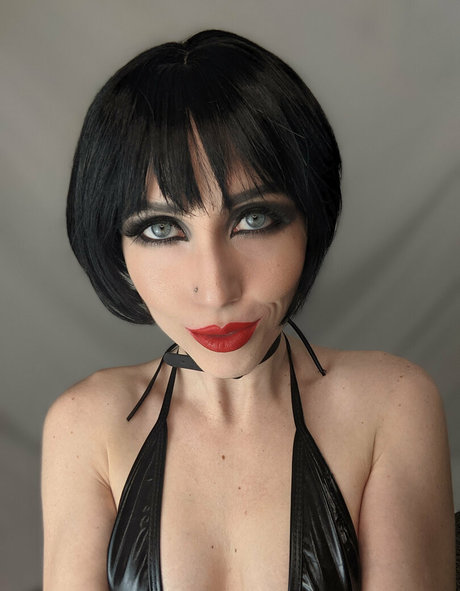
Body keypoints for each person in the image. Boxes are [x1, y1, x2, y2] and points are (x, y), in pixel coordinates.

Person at [41, 29, 455, 590]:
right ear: (115, 247)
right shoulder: (85, 426)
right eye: (162, 229)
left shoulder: (392, 405)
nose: (216, 289)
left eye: (254, 220)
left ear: (310, 221)